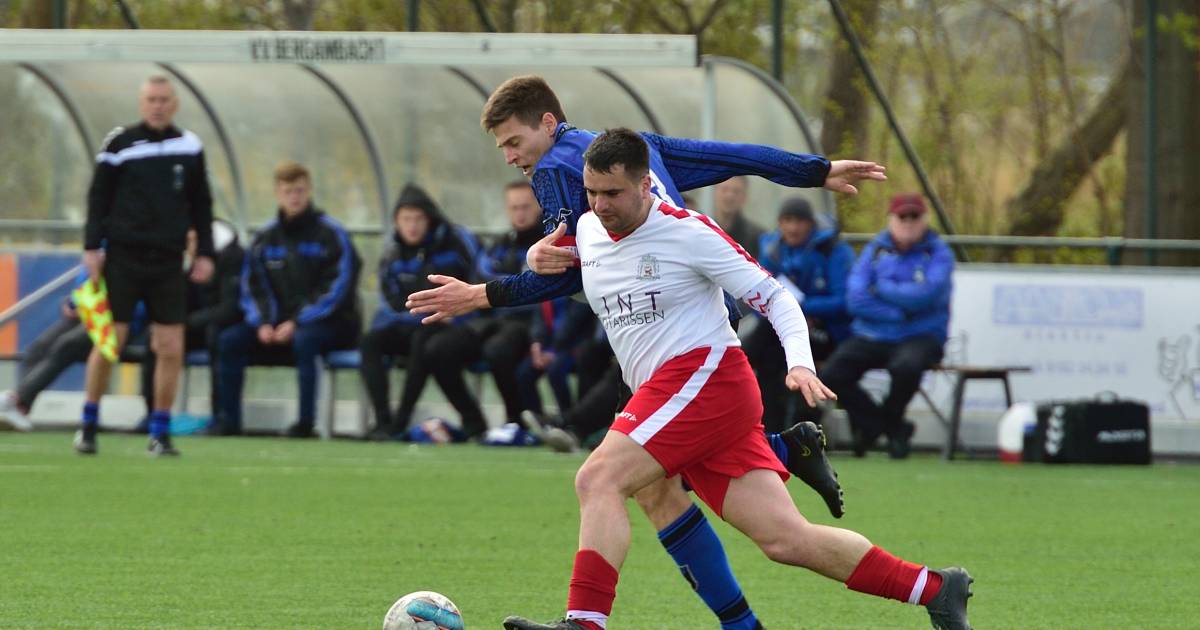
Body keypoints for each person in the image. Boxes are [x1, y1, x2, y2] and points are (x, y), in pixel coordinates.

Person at [407, 74, 872, 629]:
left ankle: (587, 621)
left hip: (673, 335)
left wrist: (481, 294)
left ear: (548, 126)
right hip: (690, 320)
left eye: (513, 142)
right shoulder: (624, 148)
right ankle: (781, 460)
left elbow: (562, 274)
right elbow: (725, 156)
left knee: (607, 479)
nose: (509, 157)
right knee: (656, 488)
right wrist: (814, 170)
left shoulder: (561, 169)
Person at [500, 129, 972, 630]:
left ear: (645, 184)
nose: (599, 204)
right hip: (681, 394)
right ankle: (936, 589)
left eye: (612, 193)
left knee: (597, 478)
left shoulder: (689, 231)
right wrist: (534, 258)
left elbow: (776, 297)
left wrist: (800, 363)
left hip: (704, 378)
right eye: (591, 192)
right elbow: (573, 264)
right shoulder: (591, 228)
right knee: (785, 540)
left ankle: (585, 623)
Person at [74, 74, 215, 456]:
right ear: (142, 103)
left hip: (168, 261)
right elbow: (98, 198)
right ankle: (88, 423)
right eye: (152, 99)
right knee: (110, 343)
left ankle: (160, 430)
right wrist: (91, 248)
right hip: (122, 257)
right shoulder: (119, 144)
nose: (158, 105)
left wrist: (204, 252)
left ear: (175, 104)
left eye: (165, 99)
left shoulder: (189, 146)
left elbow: (202, 205)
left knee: (170, 345)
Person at [217, 161, 361, 438]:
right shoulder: (265, 238)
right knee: (229, 340)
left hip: (330, 324)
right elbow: (253, 286)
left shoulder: (331, 235)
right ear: (277, 193)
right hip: (275, 325)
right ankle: (228, 421)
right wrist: (262, 323)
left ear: (309, 191)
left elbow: (337, 289)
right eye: (287, 191)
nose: (294, 197)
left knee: (305, 340)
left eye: (299, 190)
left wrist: (296, 322)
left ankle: (305, 424)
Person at [819, 193, 954, 459]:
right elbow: (855, 299)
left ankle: (879, 426)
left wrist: (880, 288)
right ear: (891, 220)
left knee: (906, 367)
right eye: (902, 216)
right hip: (875, 332)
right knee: (833, 373)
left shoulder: (939, 253)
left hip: (922, 334)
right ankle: (887, 427)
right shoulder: (875, 249)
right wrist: (898, 313)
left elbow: (926, 295)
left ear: (925, 219)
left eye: (914, 216)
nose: (908, 222)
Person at [358, 184, 486, 441]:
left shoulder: (457, 241)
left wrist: (458, 313)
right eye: (406, 219)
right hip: (412, 321)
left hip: (457, 324)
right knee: (370, 341)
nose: (412, 226)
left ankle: (401, 420)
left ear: (429, 219)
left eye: (418, 219)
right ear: (397, 221)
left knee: (424, 341)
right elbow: (390, 299)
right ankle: (383, 420)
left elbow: (482, 280)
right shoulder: (392, 253)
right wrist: (418, 314)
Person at [743, 196, 854, 432]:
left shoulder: (833, 250)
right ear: (780, 223)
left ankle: (735, 362)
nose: (793, 227)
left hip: (827, 332)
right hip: (781, 334)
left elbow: (844, 302)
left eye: (799, 221)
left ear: (810, 224)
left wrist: (801, 309)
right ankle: (774, 433)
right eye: (787, 220)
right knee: (768, 359)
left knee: (760, 348)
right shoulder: (771, 250)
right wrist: (790, 314)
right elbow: (758, 297)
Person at [712, 176, 766, 259]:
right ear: (715, 192)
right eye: (724, 189)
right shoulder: (705, 230)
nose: (729, 195)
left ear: (745, 197)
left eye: (736, 191)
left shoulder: (758, 237)